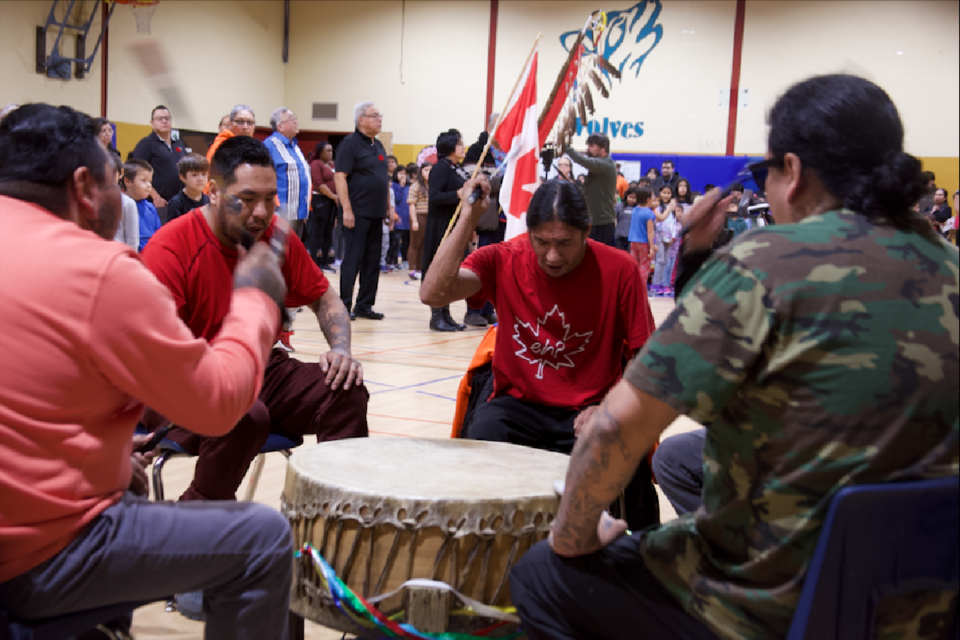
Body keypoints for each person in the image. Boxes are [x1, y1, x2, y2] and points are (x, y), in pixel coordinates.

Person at [508, 73, 959, 640]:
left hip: (777, 610)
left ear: (792, 172)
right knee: (683, 460)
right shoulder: (950, 264)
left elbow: (614, 429)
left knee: (541, 575)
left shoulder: (767, 263)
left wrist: (572, 537)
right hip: (926, 603)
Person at [0, 103, 293, 639]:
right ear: (86, 186)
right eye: (116, 180)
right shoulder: (98, 269)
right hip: (29, 560)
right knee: (262, 538)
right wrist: (254, 299)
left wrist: (104, 459)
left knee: (127, 484)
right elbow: (219, 404)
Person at [420, 178, 660, 530]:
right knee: (481, 440)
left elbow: (645, 360)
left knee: (622, 462)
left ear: (587, 231)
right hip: (517, 405)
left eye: (564, 243)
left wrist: (610, 409)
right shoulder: (504, 257)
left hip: (589, 408)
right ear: (528, 232)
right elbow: (432, 293)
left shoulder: (620, 269)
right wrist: (468, 218)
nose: (552, 255)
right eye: (542, 242)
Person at [335, 101, 389, 320]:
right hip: (356, 212)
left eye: (379, 115)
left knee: (372, 261)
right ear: (361, 120)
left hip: (376, 213)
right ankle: (344, 305)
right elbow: (340, 177)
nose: (379, 119)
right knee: (354, 259)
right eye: (374, 115)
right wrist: (346, 209)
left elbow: (382, 179)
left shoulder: (378, 145)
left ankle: (365, 305)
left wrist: (387, 210)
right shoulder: (349, 144)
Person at [422, 129, 468, 332]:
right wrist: (458, 193)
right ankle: (436, 315)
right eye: (459, 143)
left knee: (449, 270)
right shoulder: (440, 168)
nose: (463, 146)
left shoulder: (454, 168)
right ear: (450, 147)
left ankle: (446, 313)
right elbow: (435, 197)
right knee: (439, 268)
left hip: (453, 224)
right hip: (441, 225)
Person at [128, 105, 188, 221]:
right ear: (152, 123)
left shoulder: (179, 144)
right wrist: (155, 197)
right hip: (158, 204)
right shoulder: (146, 144)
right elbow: (138, 172)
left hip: (179, 203)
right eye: (160, 119)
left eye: (167, 118)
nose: (164, 121)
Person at [265, 107, 311, 237]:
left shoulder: (295, 147)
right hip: (280, 214)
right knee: (279, 255)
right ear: (280, 126)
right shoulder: (269, 146)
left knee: (294, 254)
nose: (296, 121)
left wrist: (305, 209)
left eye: (295, 118)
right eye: (291, 119)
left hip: (298, 213)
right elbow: (264, 180)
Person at [564, 133, 617, 246]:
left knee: (599, 258)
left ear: (603, 148)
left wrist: (565, 147)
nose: (588, 149)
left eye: (592, 146)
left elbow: (582, 160)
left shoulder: (605, 164)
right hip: (595, 220)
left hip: (602, 222)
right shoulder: (599, 166)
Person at [308, 141, 339, 273]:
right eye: (328, 151)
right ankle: (314, 262)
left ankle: (325, 262)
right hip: (321, 199)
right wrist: (333, 196)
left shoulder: (332, 165)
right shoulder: (316, 164)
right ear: (320, 152)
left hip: (332, 201)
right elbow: (319, 184)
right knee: (318, 232)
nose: (330, 153)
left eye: (331, 150)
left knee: (328, 232)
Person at [122, 158, 160, 252]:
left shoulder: (150, 208)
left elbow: (159, 235)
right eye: (143, 180)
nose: (148, 185)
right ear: (128, 182)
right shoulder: (122, 206)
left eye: (150, 181)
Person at [206, 105, 256, 170]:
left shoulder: (254, 147)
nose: (245, 127)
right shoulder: (223, 145)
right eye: (240, 122)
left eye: (250, 122)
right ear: (230, 124)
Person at [166, 154, 210, 221]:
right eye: (194, 175)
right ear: (182, 177)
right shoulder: (176, 203)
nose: (200, 179)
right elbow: (174, 229)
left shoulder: (209, 201)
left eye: (204, 174)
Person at [406, 162, 431, 280]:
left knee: (424, 245)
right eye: (426, 170)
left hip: (429, 217)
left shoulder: (433, 186)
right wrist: (414, 221)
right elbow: (411, 205)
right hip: (419, 217)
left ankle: (419, 269)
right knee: (414, 244)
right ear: (421, 171)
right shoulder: (415, 185)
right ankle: (411, 269)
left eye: (431, 170)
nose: (429, 172)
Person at [110, 153, 139, 251]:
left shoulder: (128, 203)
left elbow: (132, 240)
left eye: (111, 172)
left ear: (121, 173)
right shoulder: (90, 200)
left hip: (118, 256)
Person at [627, 187, 656, 286]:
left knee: (634, 264)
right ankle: (641, 287)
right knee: (644, 266)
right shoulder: (649, 213)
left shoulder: (635, 210)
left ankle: (632, 285)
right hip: (644, 243)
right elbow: (650, 232)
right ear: (648, 200)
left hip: (633, 241)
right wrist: (652, 247)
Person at [390, 165, 412, 268]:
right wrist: (401, 187)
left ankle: (405, 260)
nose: (403, 176)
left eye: (404, 174)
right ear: (396, 174)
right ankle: (393, 261)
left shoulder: (409, 186)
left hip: (407, 219)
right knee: (395, 241)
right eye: (400, 173)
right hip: (397, 218)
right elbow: (396, 199)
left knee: (406, 241)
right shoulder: (393, 186)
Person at [614, 185, 638, 251]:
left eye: (634, 198)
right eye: (630, 197)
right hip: (619, 236)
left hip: (632, 237)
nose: (632, 200)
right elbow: (615, 219)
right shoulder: (619, 206)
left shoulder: (638, 209)